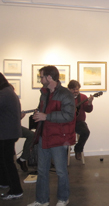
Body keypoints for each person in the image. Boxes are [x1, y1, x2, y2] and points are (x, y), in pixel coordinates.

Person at [28, 66, 76, 206]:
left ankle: (63, 198)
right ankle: (42, 200)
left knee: (61, 171)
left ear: (49, 78)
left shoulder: (65, 94)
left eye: (41, 77)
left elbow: (69, 116)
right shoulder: (44, 93)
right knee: (42, 170)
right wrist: (38, 114)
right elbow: (42, 110)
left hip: (59, 138)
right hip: (44, 136)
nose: (40, 79)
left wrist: (46, 116)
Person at [0, 73, 23, 200]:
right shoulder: (8, 91)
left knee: (8, 162)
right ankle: (4, 182)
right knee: (3, 160)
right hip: (8, 132)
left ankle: (16, 190)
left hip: (6, 133)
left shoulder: (4, 93)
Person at [68, 80, 94, 160]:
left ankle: (78, 149)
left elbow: (88, 110)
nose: (75, 92)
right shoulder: (64, 97)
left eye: (77, 89)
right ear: (69, 89)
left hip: (79, 122)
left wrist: (89, 103)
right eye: (73, 90)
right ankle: (62, 153)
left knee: (86, 132)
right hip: (67, 122)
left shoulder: (83, 97)